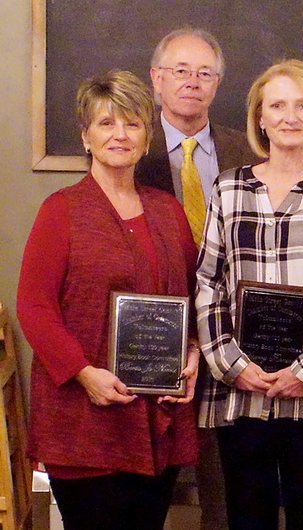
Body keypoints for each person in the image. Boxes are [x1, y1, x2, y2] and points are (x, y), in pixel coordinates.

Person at [16, 70, 199, 530]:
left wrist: (193, 351)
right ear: (86, 136)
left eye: (132, 123)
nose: (120, 134)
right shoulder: (61, 211)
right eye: (106, 123)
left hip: (157, 414)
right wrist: (84, 374)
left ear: (146, 136)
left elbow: (193, 295)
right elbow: (34, 309)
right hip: (85, 416)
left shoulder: (168, 210)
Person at [195, 59, 303, 530]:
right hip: (242, 391)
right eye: (277, 105)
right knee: (246, 519)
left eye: (302, 105)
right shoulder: (228, 188)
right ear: (260, 117)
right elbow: (209, 282)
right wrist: (232, 365)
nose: (289, 116)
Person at [135, 27, 258, 529]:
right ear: (156, 80)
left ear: (218, 84)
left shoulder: (245, 150)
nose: (192, 82)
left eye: (204, 73)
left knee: (225, 475)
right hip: (152, 327)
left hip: (232, 330)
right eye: (180, 71)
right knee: (146, 477)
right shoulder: (128, 146)